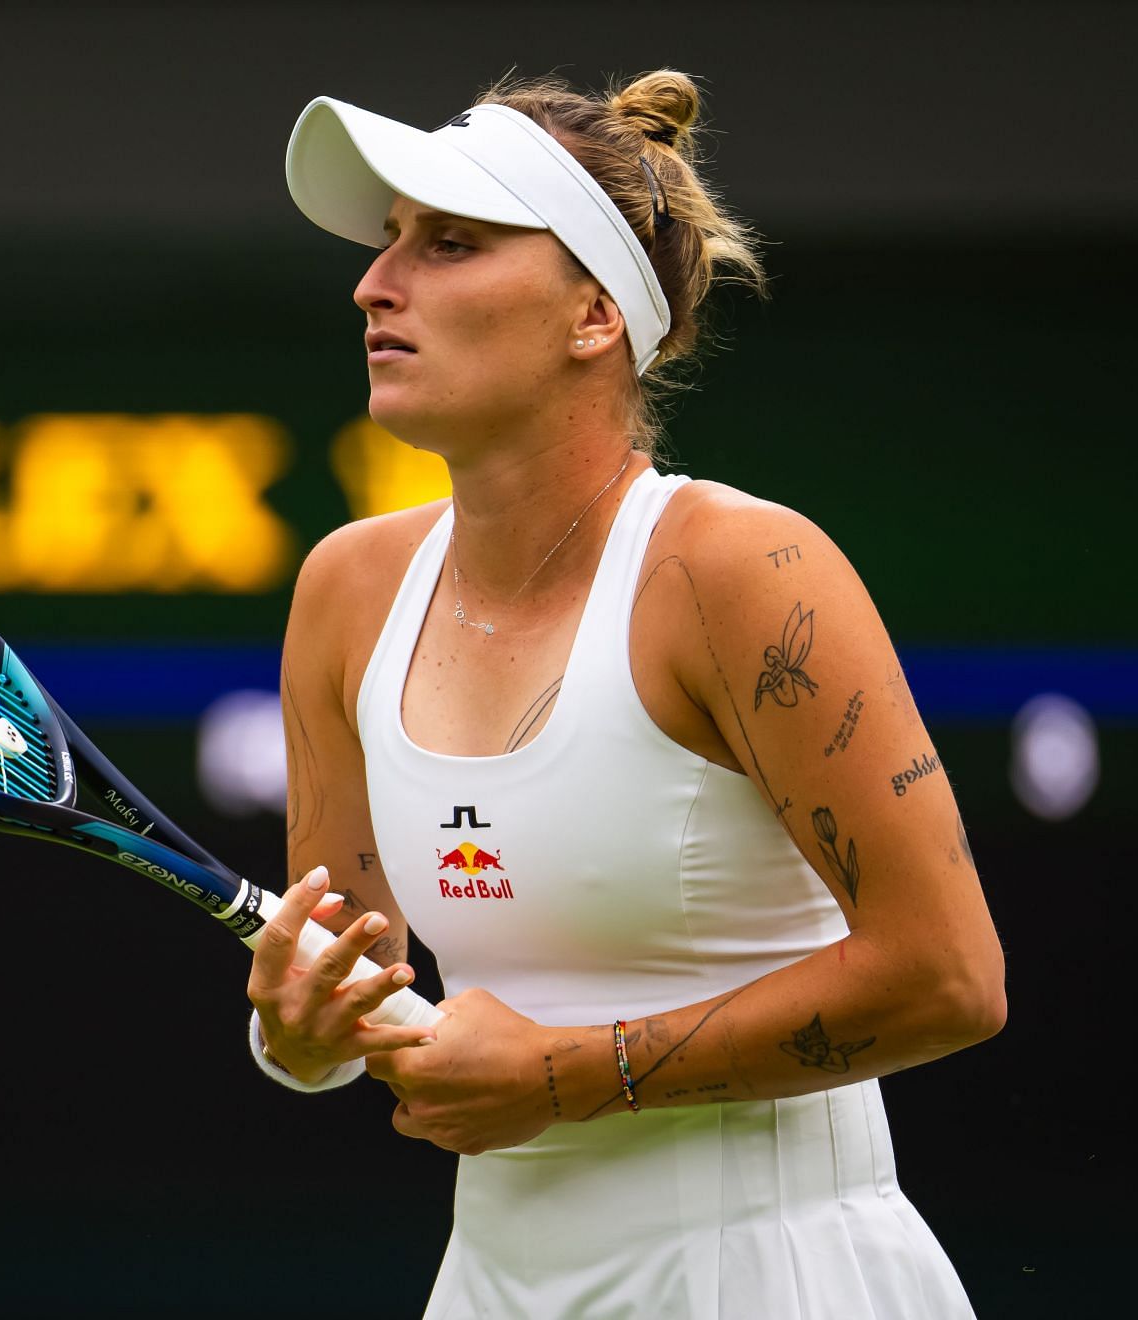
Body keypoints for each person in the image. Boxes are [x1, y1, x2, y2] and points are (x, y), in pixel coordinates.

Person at [244, 70, 1006, 1318]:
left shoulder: (742, 570)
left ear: (594, 316)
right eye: (390, 246)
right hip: (491, 1282)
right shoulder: (347, 587)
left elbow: (950, 980)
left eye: (449, 245)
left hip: (776, 1275)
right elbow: (353, 986)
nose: (375, 286)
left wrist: (561, 1077)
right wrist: (303, 1036)